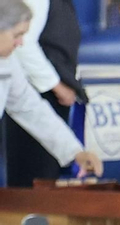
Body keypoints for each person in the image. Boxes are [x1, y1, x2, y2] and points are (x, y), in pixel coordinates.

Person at [0, 0, 98, 178]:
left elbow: (31, 109)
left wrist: (75, 151)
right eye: (17, 35)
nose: (20, 43)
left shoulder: (7, 63)